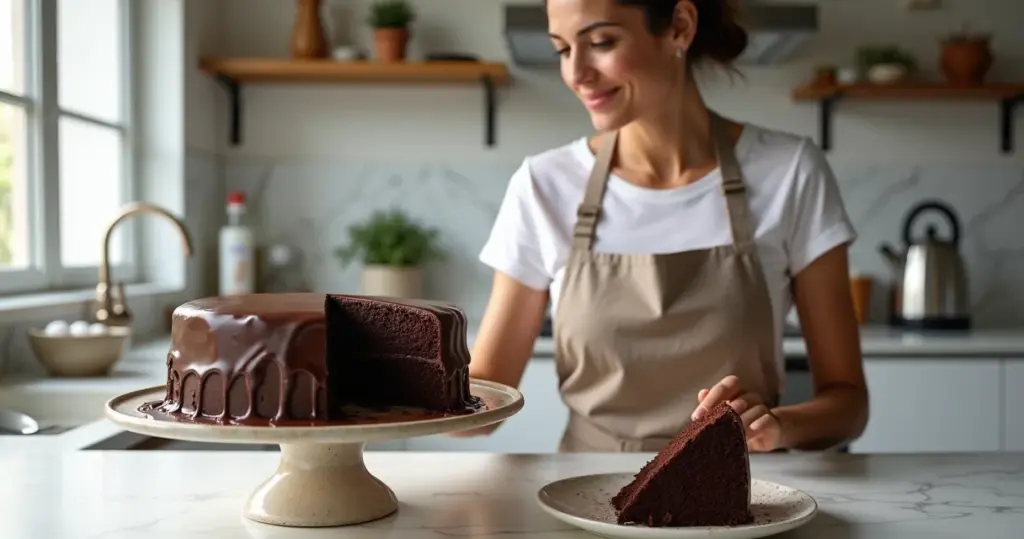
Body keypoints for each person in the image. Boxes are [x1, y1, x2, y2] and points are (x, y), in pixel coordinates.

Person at [462, 0, 869, 453]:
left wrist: (778, 425)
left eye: (600, 42)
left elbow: (848, 404)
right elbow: (480, 409)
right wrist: (394, 385)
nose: (576, 73)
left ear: (679, 26)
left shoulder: (789, 171)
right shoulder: (544, 185)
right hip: (584, 494)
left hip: (743, 498)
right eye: (561, 49)